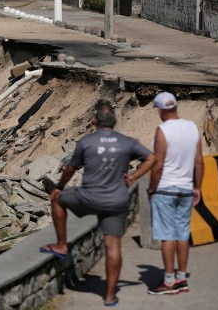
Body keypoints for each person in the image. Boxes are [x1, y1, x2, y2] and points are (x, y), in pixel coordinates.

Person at [40, 99, 157, 307]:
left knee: (57, 199)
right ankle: (110, 296)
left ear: (94, 120)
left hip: (89, 198)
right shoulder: (126, 142)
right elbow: (151, 158)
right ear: (115, 120)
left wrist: (59, 186)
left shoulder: (86, 142)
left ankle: (61, 245)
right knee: (113, 245)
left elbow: (70, 169)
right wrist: (134, 176)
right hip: (116, 201)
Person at [126, 91, 204, 295]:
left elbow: (158, 165)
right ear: (175, 107)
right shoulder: (192, 127)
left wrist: (152, 189)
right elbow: (199, 161)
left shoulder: (162, 130)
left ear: (160, 109)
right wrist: (197, 187)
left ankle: (169, 281)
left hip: (166, 190)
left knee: (168, 236)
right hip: (186, 189)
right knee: (182, 235)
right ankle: (181, 278)